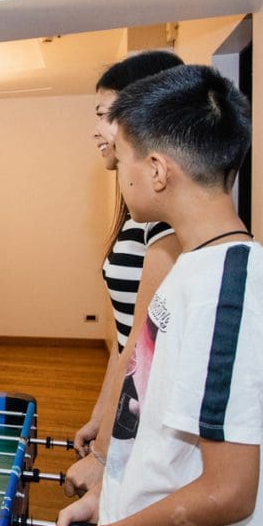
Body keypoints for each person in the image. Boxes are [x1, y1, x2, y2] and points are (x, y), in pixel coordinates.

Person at [31, 65, 263, 526]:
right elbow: (155, 432)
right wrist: (109, 497)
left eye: (124, 156)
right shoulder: (189, 266)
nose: (117, 170)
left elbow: (228, 491)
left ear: (156, 170)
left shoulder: (227, 293)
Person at [64, 51, 185, 497]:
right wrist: (99, 420)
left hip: (153, 431)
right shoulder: (138, 213)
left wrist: (105, 455)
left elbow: (143, 350)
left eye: (104, 114)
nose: (97, 129)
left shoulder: (167, 225)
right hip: (130, 420)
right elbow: (123, 340)